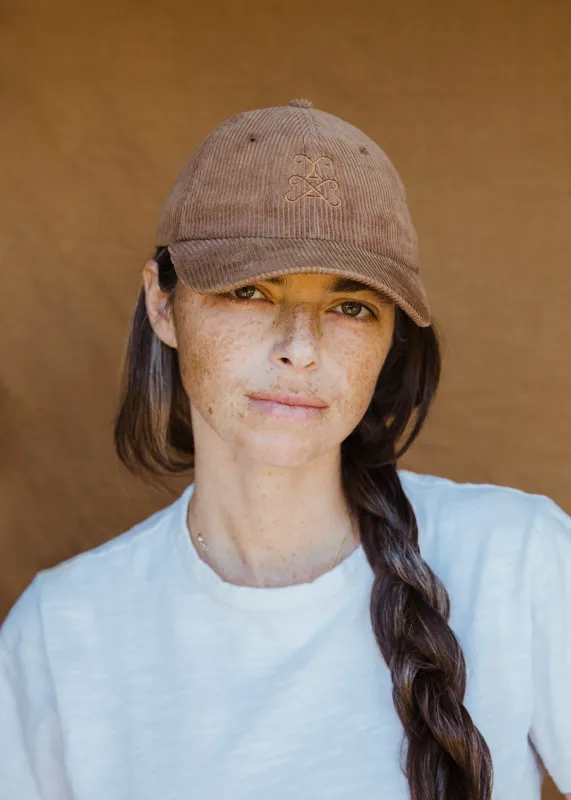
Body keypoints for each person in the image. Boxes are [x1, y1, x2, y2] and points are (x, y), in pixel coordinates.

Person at [0, 98, 569, 800]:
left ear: (391, 336)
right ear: (161, 305)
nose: (300, 348)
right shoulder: (61, 632)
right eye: (248, 291)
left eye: (350, 306)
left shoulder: (519, 562)